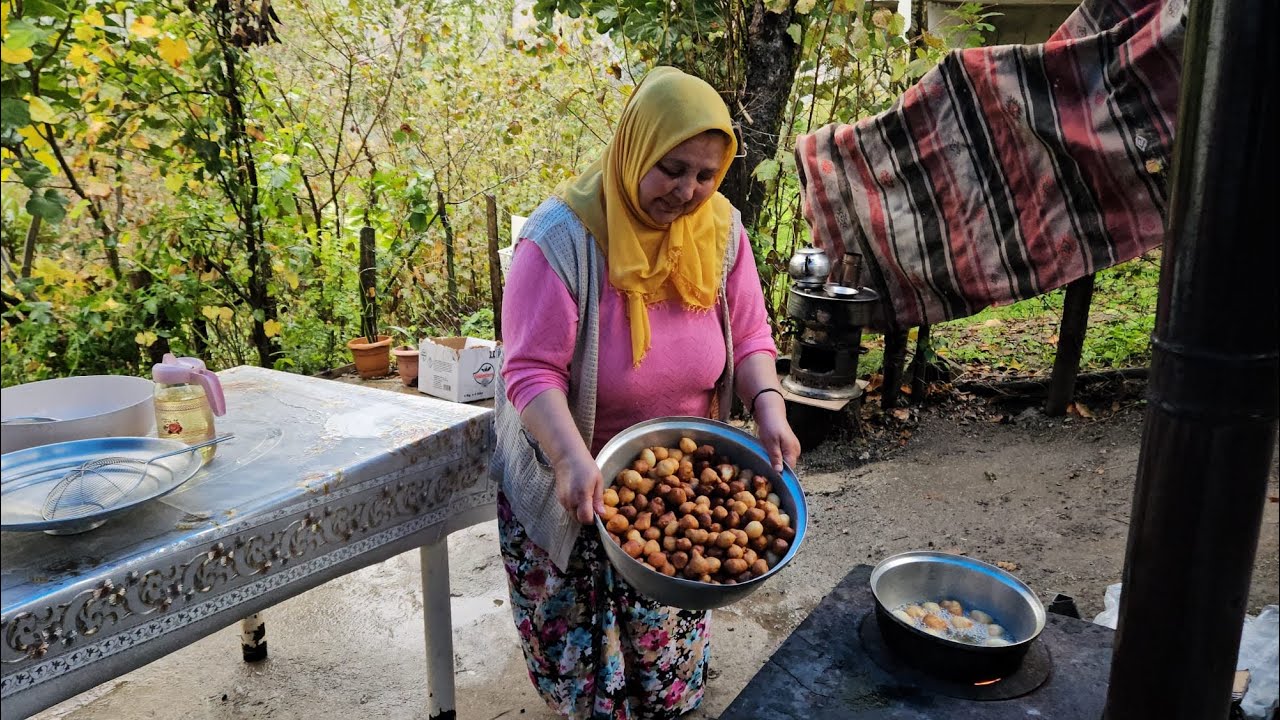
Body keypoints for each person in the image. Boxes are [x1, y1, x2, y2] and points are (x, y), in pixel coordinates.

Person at [489, 66, 801, 719]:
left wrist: (769, 405)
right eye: (672, 168)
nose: (688, 191)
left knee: (666, 645)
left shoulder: (720, 231)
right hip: (569, 467)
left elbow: (751, 334)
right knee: (586, 668)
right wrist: (571, 459)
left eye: (706, 174)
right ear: (635, 148)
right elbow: (530, 373)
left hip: (675, 469)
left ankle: (665, 699)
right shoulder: (561, 240)